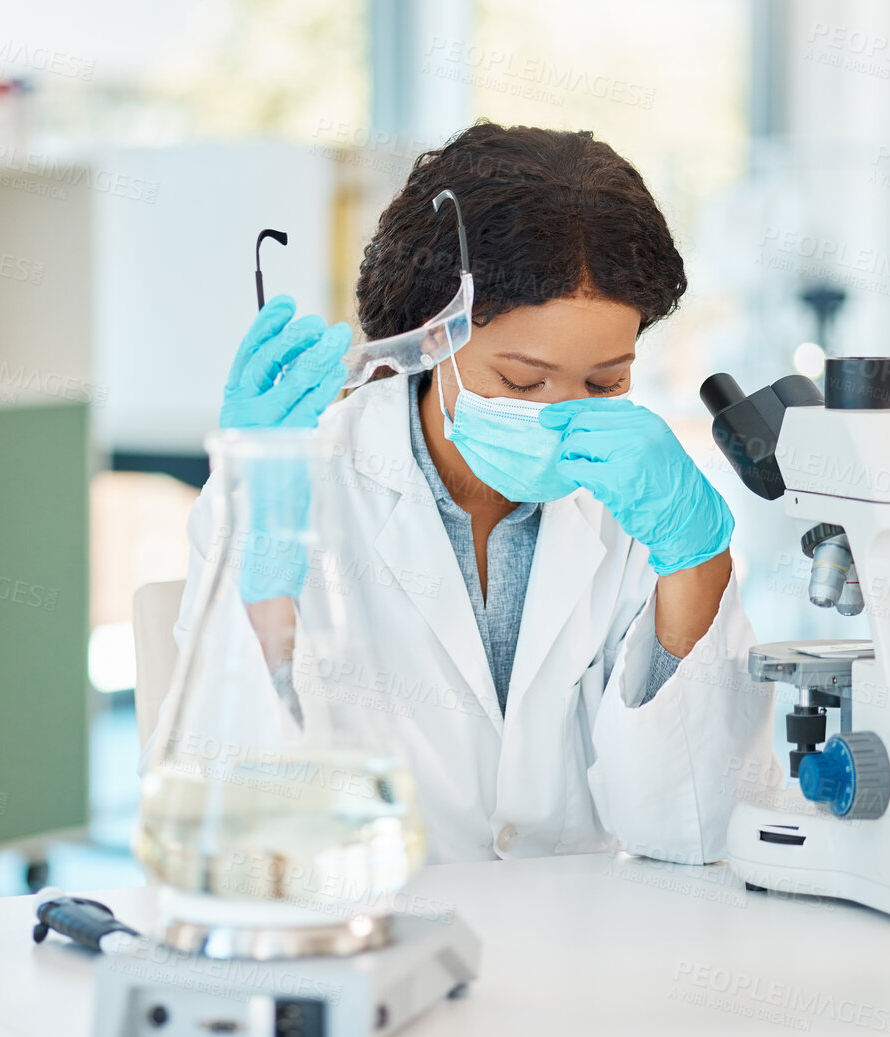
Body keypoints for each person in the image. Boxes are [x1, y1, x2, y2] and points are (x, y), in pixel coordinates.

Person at [164, 123, 775, 865]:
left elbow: (695, 828)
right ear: (429, 337)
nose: (559, 413)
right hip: (377, 939)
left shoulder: (640, 500)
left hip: (583, 953)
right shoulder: (300, 487)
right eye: (522, 381)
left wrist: (695, 556)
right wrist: (261, 564)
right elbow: (231, 818)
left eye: (604, 381)